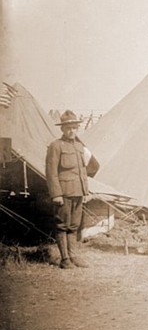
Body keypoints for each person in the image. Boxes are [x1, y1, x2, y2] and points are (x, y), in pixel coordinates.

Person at [46, 110, 99, 269]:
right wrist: (56, 194)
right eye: (68, 128)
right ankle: (65, 259)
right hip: (64, 192)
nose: (72, 131)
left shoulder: (80, 146)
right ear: (62, 129)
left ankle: (74, 256)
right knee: (62, 225)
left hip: (78, 192)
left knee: (74, 225)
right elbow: (51, 172)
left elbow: (85, 169)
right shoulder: (55, 146)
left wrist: (85, 190)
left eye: (75, 127)